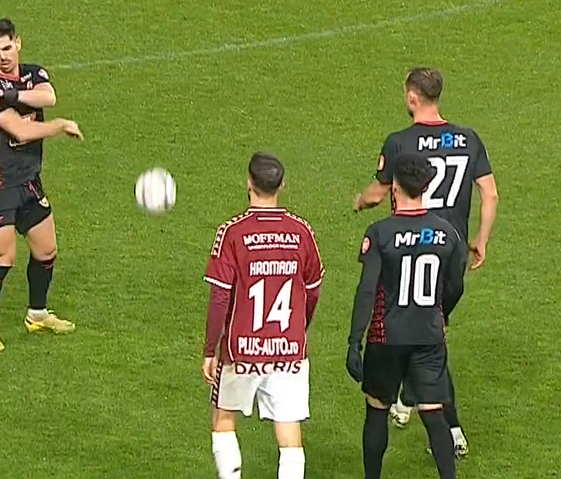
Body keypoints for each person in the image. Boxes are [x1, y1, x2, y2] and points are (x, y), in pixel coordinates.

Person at [353, 66, 499, 454]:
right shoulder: (468, 138)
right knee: (428, 333)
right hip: (450, 256)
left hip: (408, 254)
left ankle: (451, 429)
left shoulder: (400, 142)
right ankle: (407, 399)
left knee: (425, 338)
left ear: (412, 97)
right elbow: (490, 193)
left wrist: (359, 201)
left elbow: (379, 192)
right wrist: (480, 240)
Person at [202, 153, 324, 479]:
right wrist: (300, 329)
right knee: (289, 435)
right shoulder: (302, 232)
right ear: (282, 185)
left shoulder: (232, 233)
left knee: (223, 419)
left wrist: (210, 349)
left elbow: (220, 296)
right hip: (288, 348)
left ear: (248, 183)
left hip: (242, 348)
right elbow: (313, 290)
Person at [347, 153, 468, 479]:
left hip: (386, 338)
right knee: (433, 414)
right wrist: (440, 314)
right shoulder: (446, 233)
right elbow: (455, 286)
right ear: (426, 187)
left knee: (377, 410)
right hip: (428, 336)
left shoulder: (381, 232)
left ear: (395, 187)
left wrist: (354, 341)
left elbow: (367, 290)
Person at [0, 19, 82, 352]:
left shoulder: (33, 74)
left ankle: (37, 314)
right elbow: (20, 130)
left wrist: (10, 94)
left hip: (28, 181)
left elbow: (48, 97)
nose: (3, 56)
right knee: (3, 258)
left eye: (7, 48)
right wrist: (59, 126)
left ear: (17, 43)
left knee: (46, 250)